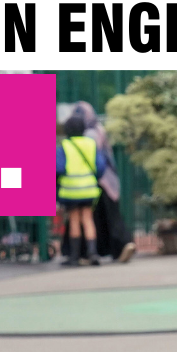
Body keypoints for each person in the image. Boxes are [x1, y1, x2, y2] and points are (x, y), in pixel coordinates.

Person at [74, 101, 137, 264]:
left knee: (96, 216)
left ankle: (101, 250)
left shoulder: (89, 134)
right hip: (107, 180)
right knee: (106, 215)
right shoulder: (99, 129)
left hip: (96, 180)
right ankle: (118, 247)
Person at [55, 110, 103, 265]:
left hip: (70, 190)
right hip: (89, 189)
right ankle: (92, 253)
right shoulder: (91, 144)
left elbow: (58, 168)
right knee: (88, 220)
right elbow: (100, 166)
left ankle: (74, 256)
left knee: (74, 220)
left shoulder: (65, 146)